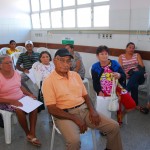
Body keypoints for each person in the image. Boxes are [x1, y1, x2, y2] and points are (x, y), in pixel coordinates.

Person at [42, 48, 123, 150]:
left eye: (68, 61)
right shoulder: (48, 81)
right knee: (74, 141)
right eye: (61, 60)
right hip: (64, 115)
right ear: (54, 61)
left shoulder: (75, 75)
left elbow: (85, 96)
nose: (66, 64)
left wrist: (93, 111)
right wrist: (75, 119)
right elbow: (52, 109)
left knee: (114, 126)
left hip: (84, 110)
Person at [0, 54, 41, 146]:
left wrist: (29, 94)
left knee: (34, 106)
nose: (10, 64)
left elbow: (20, 86)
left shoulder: (15, 73)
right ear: (0, 65)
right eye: (6, 63)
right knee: (19, 110)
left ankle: (32, 133)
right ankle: (28, 133)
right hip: (5, 101)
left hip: (20, 97)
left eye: (11, 62)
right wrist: (11, 101)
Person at [91, 45, 136, 125]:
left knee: (132, 105)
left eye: (106, 54)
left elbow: (123, 76)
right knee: (104, 110)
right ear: (97, 56)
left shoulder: (114, 64)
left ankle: (121, 114)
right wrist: (99, 91)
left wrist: (119, 75)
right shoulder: (95, 67)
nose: (104, 56)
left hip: (118, 88)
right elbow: (95, 82)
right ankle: (106, 124)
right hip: (104, 90)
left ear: (108, 55)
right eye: (102, 54)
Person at [118, 42, 146, 112]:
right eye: (130, 47)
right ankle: (135, 104)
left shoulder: (137, 55)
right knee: (134, 84)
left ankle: (126, 92)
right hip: (129, 77)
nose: (131, 49)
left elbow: (142, 67)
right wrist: (124, 74)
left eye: (133, 48)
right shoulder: (121, 57)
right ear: (126, 48)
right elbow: (120, 69)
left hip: (140, 76)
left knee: (137, 73)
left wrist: (135, 71)